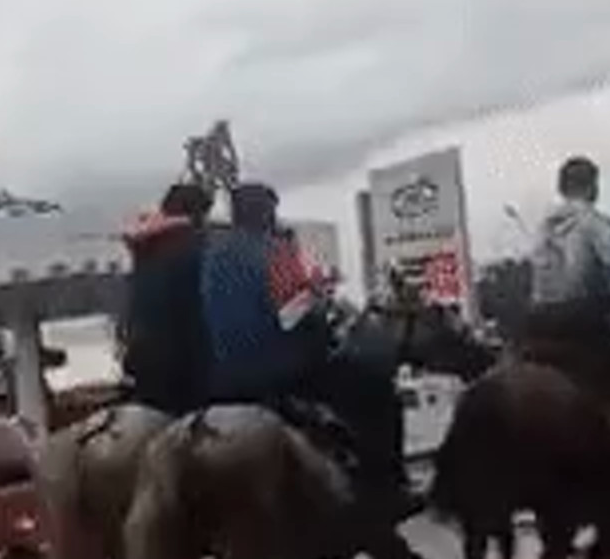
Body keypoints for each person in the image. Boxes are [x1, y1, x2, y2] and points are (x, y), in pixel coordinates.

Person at [201, 182, 416, 517]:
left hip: (222, 377)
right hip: (281, 369)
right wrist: (316, 295)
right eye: (272, 210)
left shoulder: (213, 257)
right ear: (265, 213)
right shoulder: (277, 251)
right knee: (377, 390)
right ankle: (388, 488)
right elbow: (294, 316)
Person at [524, 156, 610, 357]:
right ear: (591, 187)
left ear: (561, 188)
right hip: (581, 314)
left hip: (539, 315)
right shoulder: (591, 220)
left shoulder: (545, 224)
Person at [120, 182, 214, 413]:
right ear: (199, 214)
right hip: (184, 368)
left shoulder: (145, 247)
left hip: (143, 364)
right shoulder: (197, 246)